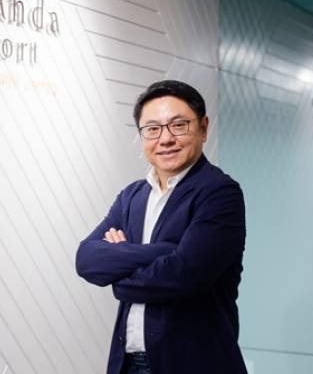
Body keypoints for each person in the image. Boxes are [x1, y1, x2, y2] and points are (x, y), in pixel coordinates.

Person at [76, 80, 247, 374]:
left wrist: (119, 270)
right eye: (152, 129)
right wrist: (164, 251)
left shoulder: (219, 193)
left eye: (178, 125)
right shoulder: (132, 196)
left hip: (194, 364)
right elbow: (87, 259)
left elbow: (183, 275)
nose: (165, 139)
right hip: (129, 364)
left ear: (203, 128)